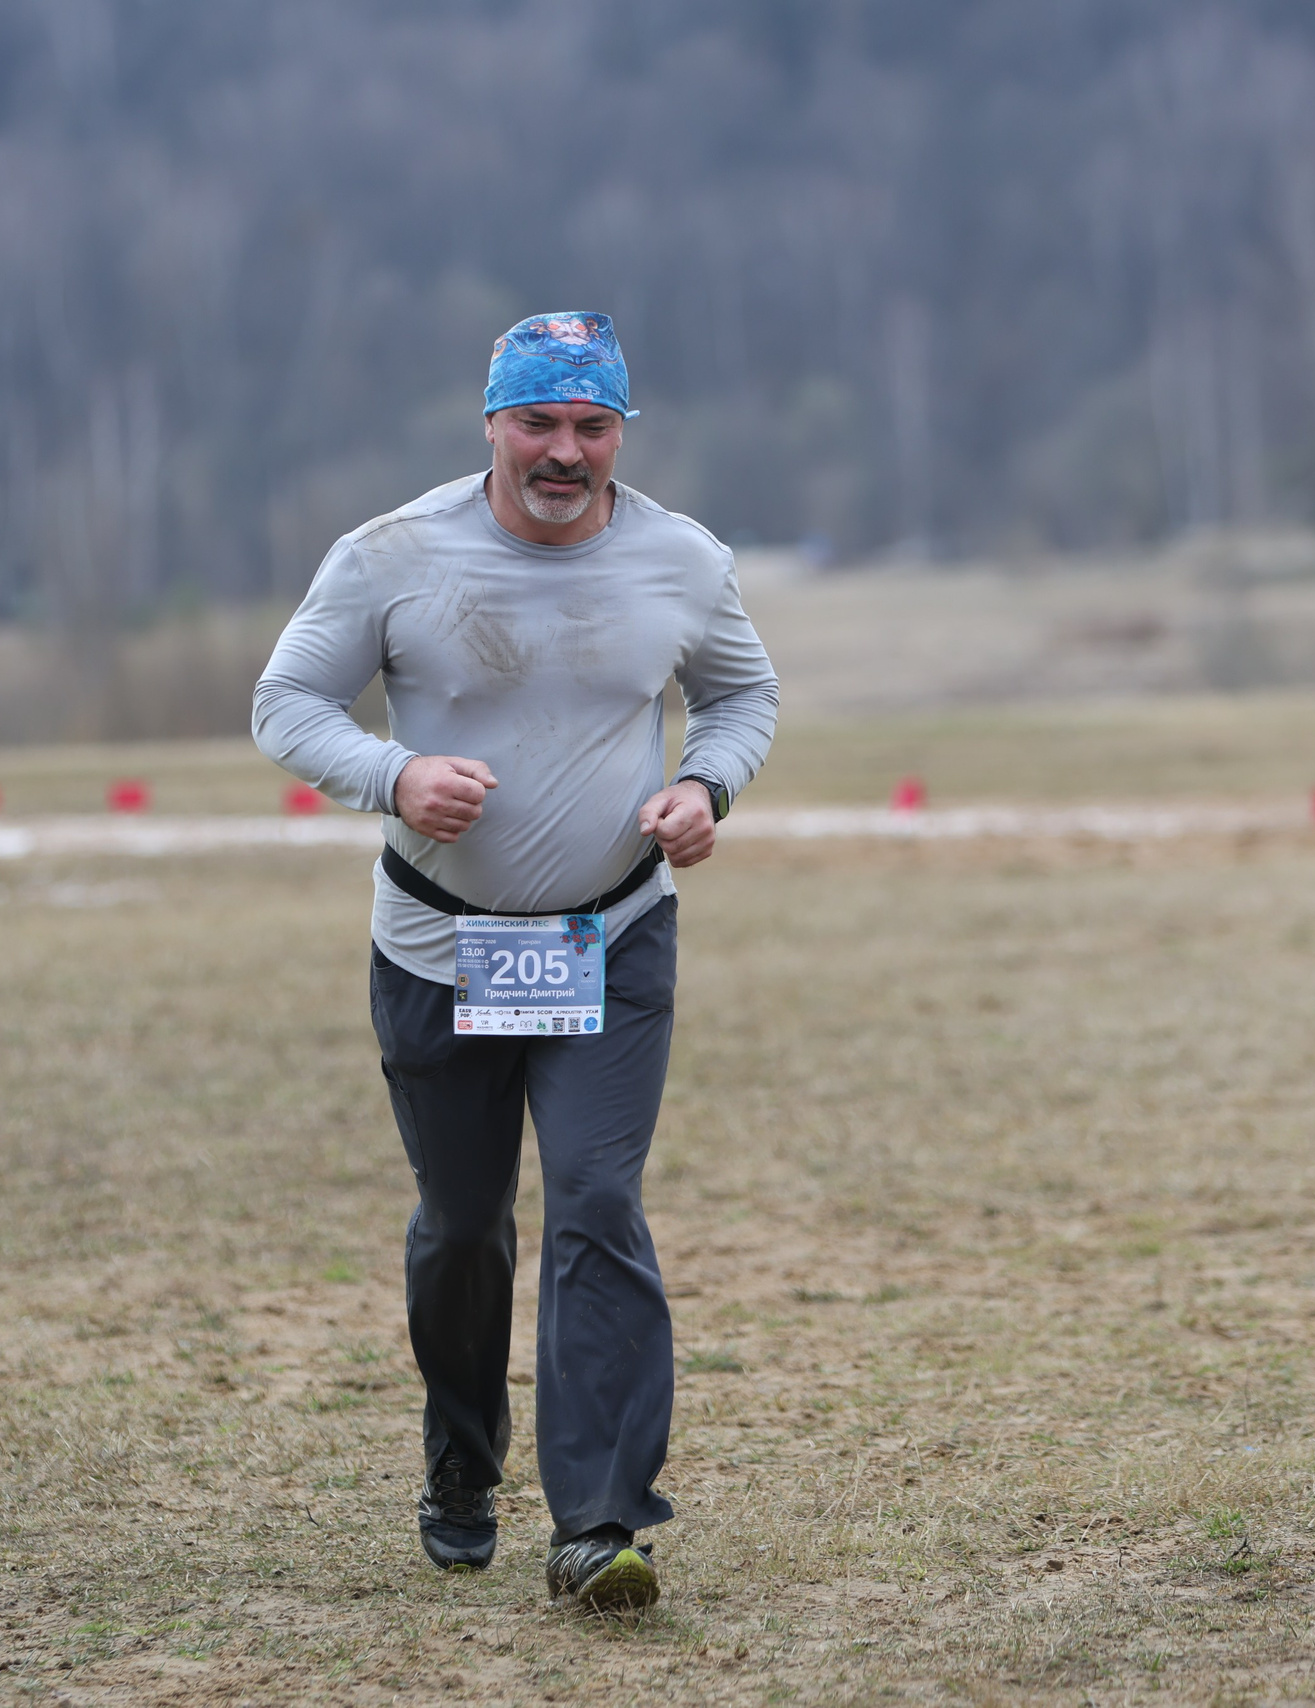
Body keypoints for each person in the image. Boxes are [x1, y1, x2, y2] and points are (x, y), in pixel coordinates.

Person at [252, 313, 780, 1614]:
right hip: (441, 945)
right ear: (489, 422)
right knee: (464, 1229)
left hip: (614, 933)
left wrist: (707, 784)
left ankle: (598, 1523)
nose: (563, 451)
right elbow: (287, 704)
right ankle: (461, 1462)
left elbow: (742, 696)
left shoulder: (682, 559)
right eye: (537, 423)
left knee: (598, 1205)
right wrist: (394, 773)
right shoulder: (391, 556)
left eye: (591, 426)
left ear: (620, 434)